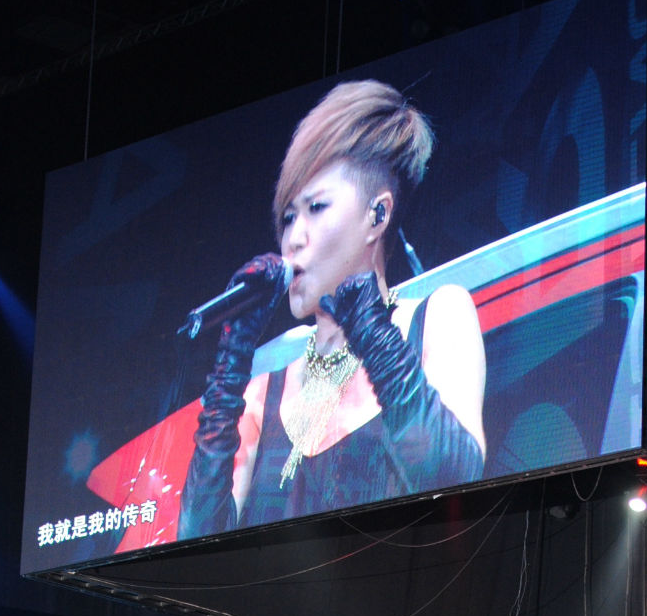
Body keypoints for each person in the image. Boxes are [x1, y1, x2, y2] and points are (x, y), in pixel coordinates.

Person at [177, 79, 486, 540]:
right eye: (288, 217)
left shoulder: (438, 317)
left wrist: (372, 332)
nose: (293, 238)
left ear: (377, 216)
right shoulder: (265, 388)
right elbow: (199, 540)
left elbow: (455, 484)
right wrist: (231, 365)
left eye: (316, 208)